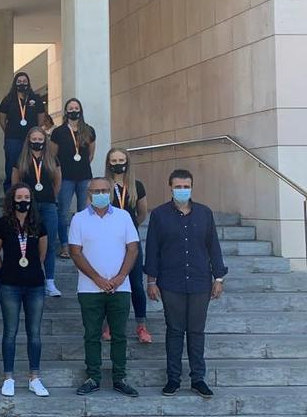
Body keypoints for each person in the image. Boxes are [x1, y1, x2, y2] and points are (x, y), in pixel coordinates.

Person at [145, 169, 227, 399]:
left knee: (196, 331)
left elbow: (213, 247)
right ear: (170, 187)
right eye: (178, 186)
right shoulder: (160, 215)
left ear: (192, 186)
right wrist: (151, 280)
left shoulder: (204, 213)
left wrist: (218, 277)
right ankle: (173, 378)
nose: (183, 190)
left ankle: (198, 378)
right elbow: (152, 249)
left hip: (200, 281)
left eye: (186, 186)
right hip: (171, 282)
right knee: (174, 330)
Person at [68, 177, 140, 397]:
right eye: (96, 191)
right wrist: (97, 278)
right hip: (90, 289)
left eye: (104, 190)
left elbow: (133, 249)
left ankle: (120, 378)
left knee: (119, 335)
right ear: (89, 194)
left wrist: (120, 277)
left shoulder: (124, 216)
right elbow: (74, 251)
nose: (100, 194)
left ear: (110, 192)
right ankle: (93, 377)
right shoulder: (79, 219)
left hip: (121, 288)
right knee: (91, 335)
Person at [0, 183, 50, 398]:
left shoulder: (38, 223)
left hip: (35, 285)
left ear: (31, 199)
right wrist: (6, 271)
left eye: (27, 196)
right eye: (19, 196)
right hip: (9, 285)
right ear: (12, 199)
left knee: (34, 333)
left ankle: (35, 378)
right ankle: (9, 378)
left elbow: (42, 253)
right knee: (10, 332)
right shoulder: (2, 224)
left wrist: (30, 268)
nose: (23, 200)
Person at [104, 148, 152, 343]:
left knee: (136, 285)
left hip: (131, 242)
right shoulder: (104, 186)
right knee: (111, 283)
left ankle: (141, 326)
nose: (118, 163)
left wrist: (129, 228)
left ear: (127, 162)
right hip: (108, 241)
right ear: (109, 163)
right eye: (114, 160)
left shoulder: (136, 186)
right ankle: (109, 325)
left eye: (121, 159)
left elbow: (142, 213)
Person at [13, 127, 62, 297]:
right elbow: (15, 184)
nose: (37, 142)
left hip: (48, 205)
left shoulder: (52, 159)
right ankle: (26, 278)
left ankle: (49, 281)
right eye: (34, 138)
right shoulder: (21, 159)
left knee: (48, 243)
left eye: (40, 139)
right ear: (28, 140)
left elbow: (57, 182)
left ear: (45, 141)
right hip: (27, 206)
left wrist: (50, 197)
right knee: (26, 243)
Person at [50, 98, 96, 260]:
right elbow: (53, 156)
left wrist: (80, 165)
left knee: (84, 213)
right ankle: (64, 245)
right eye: (70, 108)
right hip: (65, 178)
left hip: (84, 177)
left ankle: (82, 245)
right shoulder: (58, 132)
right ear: (66, 111)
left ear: (80, 110)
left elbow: (90, 155)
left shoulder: (89, 130)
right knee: (63, 213)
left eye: (76, 107)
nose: (74, 110)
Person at [0, 72, 45, 193]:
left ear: (28, 83)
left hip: (31, 140)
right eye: (19, 81)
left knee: (30, 166)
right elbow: (2, 121)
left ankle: (29, 194)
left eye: (24, 81)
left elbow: (40, 119)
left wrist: (34, 134)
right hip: (13, 140)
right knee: (11, 167)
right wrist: (10, 132)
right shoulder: (8, 99)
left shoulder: (35, 99)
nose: (22, 83)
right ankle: (10, 195)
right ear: (15, 83)